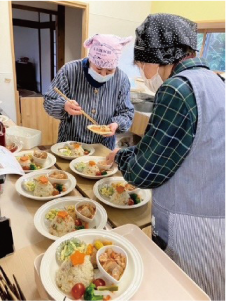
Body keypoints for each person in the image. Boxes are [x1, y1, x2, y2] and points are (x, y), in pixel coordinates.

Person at [106, 13, 226, 301]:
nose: (140, 68)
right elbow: (180, 147)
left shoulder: (176, 89)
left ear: (157, 55)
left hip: (190, 227)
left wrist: (121, 159)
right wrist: (130, 151)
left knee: (182, 290)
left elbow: (143, 173)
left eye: (141, 62)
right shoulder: (216, 81)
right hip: (217, 215)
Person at [44, 34, 134, 150]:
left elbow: (126, 112)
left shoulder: (121, 79)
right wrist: (64, 106)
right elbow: (49, 101)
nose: (103, 75)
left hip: (103, 147)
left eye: (109, 71)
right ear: (91, 60)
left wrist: (117, 124)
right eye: (99, 69)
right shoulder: (69, 71)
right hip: (70, 145)